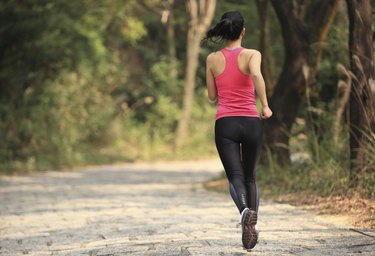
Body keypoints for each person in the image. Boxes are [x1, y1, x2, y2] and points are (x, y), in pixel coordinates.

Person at [203, 11, 272, 250]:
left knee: (235, 176)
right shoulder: (253, 55)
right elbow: (256, 75)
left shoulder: (212, 59)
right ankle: (250, 227)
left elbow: (212, 96)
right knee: (250, 176)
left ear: (222, 32)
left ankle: (244, 212)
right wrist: (264, 104)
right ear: (243, 31)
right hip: (251, 121)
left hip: (226, 124)